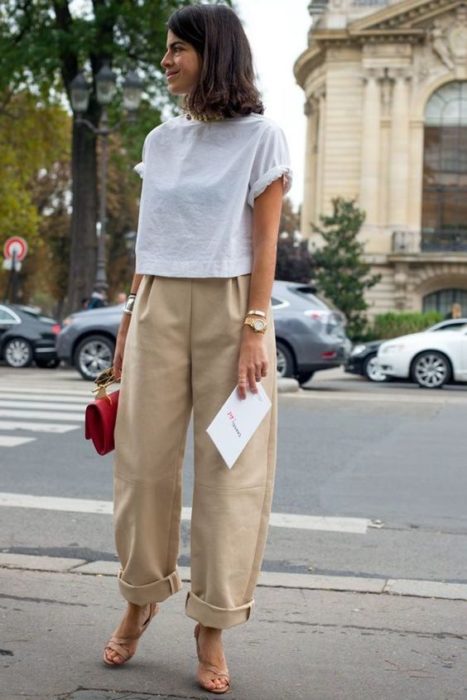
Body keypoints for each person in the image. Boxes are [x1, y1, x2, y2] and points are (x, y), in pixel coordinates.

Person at [102, 4, 292, 695]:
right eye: (165, 49)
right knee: (142, 466)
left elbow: (266, 238)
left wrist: (253, 327)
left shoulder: (262, 137)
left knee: (229, 474)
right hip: (158, 303)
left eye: (177, 49)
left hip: (230, 304)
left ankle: (211, 623)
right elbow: (147, 239)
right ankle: (140, 596)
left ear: (213, 54)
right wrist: (129, 317)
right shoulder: (160, 140)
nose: (164, 61)